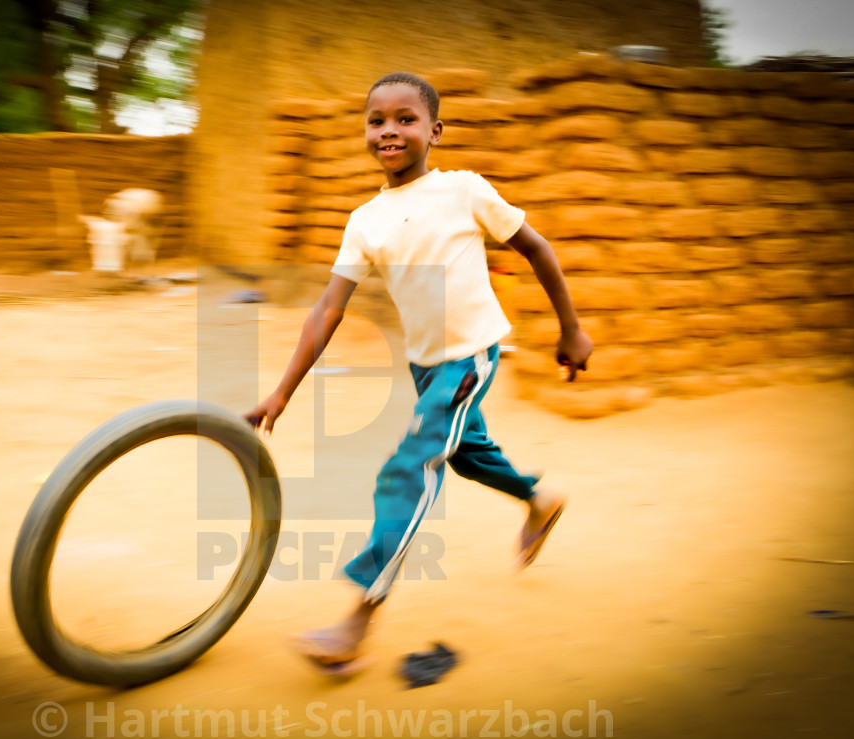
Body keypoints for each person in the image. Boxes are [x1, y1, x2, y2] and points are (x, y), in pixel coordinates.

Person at [244, 72, 593, 674]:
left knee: (410, 467)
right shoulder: (365, 221)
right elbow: (330, 307)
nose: (389, 130)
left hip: (470, 357)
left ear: (435, 131)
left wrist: (571, 328)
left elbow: (536, 248)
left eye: (405, 119)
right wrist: (281, 391)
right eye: (377, 120)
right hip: (424, 365)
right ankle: (538, 498)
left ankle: (357, 621)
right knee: (462, 450)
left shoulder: (463, 191)